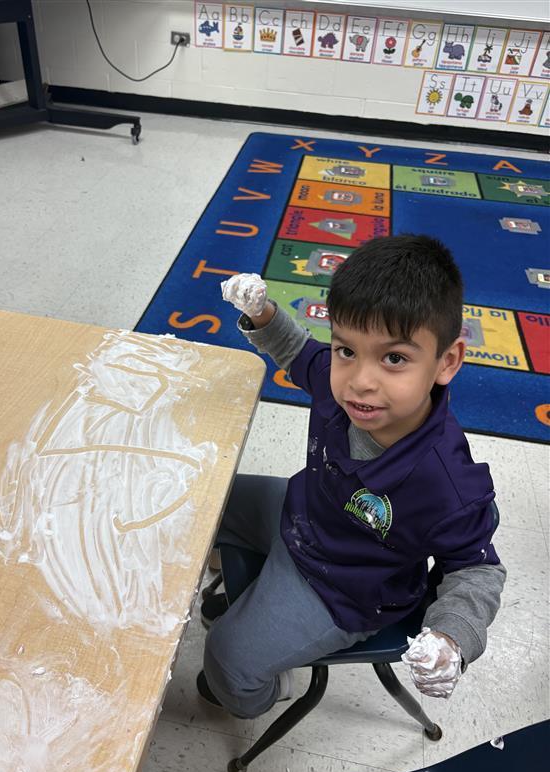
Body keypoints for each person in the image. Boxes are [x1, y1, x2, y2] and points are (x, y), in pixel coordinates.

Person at [197, 234, 506, 719]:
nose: (360, 380)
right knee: (204, 498)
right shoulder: (340, 382)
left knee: (224, 660)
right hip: (299, 514)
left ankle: (266, 688)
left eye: (395, 358)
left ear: (447, 361)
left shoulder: (446, 484)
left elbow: (476, 568)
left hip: (343, 589)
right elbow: (299, 351)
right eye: (346, 350)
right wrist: (264, 316)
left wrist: (451, 636)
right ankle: (232, 578)